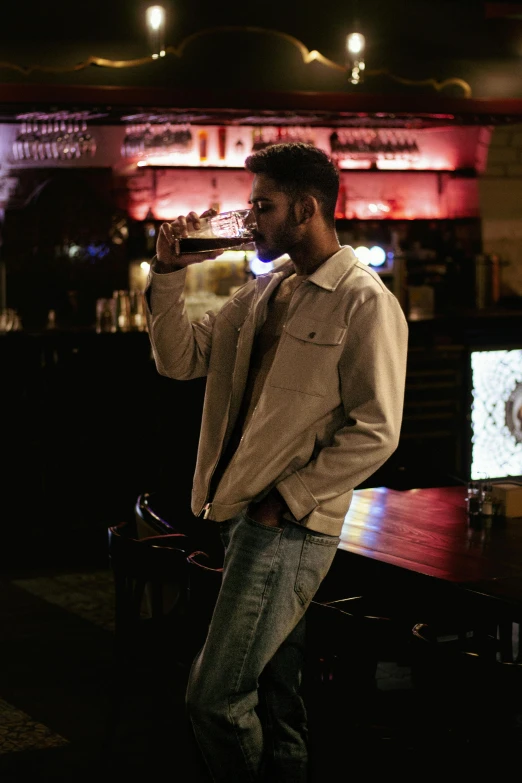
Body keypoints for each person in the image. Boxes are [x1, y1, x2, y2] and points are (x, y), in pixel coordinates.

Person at [145, 142, 408, 782]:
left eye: (263, 206)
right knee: (275, 697)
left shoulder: (364, 301)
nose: (251, 218)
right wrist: (169, 273)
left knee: (213, 698)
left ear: (307, 209)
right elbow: (177, 360)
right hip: (242, 519)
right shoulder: (267, 291)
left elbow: (377, 430)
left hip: (285, 528)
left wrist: (285, 500)